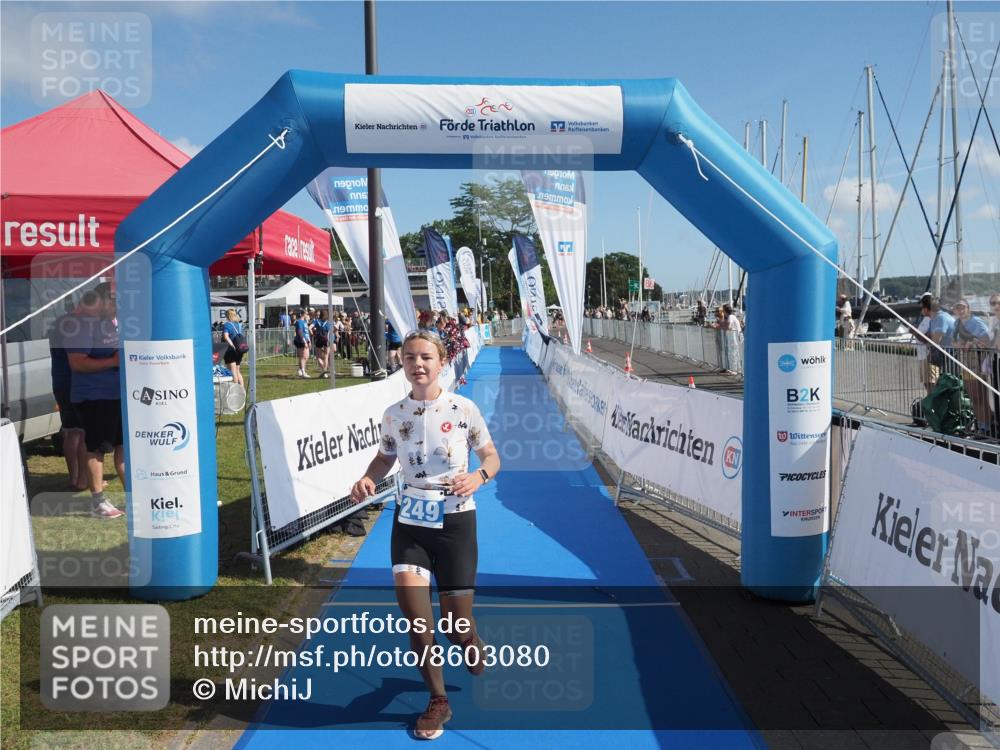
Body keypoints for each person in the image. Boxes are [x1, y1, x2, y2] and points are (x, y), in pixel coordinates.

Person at [350, 331, 500, 740]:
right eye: (410, 357)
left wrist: (478, 477)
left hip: (456, 524)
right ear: (401, 362)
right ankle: (438, 700)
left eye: (426, 357)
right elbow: (384, 458)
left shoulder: (463, 408)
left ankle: (468, 637)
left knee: (453, 625)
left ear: (442, 361)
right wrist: (367, 478)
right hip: (411, 525)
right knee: (418, 622)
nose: (418, 364)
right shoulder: (394, 414)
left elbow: (491, 457)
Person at [64, 283, 125, 519]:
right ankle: (98, 502)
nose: (117, 306)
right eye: (113, 300)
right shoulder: (79, 325)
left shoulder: (111, 323)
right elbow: (77, 362)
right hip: (94, 396)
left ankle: (135, 495)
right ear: (99, 300)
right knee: (97, 447)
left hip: (117, 394)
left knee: (123, 446)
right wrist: (113, 362)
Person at [49, 300, 89, 491]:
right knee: (83, 433)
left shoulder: (58, 323)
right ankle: (83, 479)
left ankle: (74, 478)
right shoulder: (77, 325)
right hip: (76, 382)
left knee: (71, 432)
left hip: (60, 381)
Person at [951, 299, 992, 434]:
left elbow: (986, 340)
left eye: (963, 308)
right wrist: (959, 344)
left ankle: (986, 427)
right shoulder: (957, 323)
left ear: (968, 309)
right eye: (958, 308)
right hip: (965, 362)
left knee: (980, 395)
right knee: (973, 396)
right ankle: (980, 426)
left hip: (977, 362)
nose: (960, 310)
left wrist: (971, 344)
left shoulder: (976, 322)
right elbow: (953, 341)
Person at [221, 310, 246, 387]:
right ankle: (242, 390)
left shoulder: (227, 325)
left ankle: (235, 391)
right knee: (238, 371)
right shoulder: (239, 325)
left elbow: (226, 337)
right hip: (239, 349)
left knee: (232, 372)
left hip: (230, 350)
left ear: (227, 316)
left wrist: (232, 345)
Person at [312, 311, 331, 378]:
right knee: (326, 356)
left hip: (318, 339)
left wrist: (313, 334)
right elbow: (329, 332)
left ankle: (323, 370)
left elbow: (310, 327)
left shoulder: (316, 321)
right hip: (326, 340)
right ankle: (324, 371)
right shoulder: (328, 323)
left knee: (318, 356)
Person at [293, 310, 311, 378]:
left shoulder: (305, 322)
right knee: (303, 357)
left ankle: (300, 369)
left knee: (306, 356)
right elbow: (300, 332)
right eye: (307, 314)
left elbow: (306, 332)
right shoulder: (299, 321)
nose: (307, 315)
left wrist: (309, 341)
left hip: (306, 340)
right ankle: (303, 372)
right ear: (303, 314)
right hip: (301, 341)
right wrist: (304, 341)